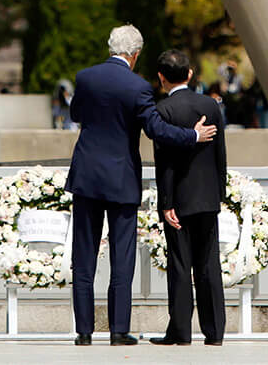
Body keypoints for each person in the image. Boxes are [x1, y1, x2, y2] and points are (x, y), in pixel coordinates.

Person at [65, 25, 217, 346]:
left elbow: (76, 113)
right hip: (121, 177)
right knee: (123, 256)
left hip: (87, 176)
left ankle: (84, 332)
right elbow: (156, 130)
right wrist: (192, 135)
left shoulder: (86, 77)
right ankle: (119, 331)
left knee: (84, 255)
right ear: (135, 55)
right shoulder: (138, 87)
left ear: (111, 48)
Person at [149, 49, 226, 347]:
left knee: (180, 264)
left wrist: (166, 201)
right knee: (209, 264)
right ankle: (214, 331)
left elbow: (164, 162)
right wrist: (219, 191)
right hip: (207, 197)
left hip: (179, 200)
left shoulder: (163, 110)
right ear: (190, 74)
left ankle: (180, 331)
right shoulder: (210, 104)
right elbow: (221, 154)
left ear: (161, 78)